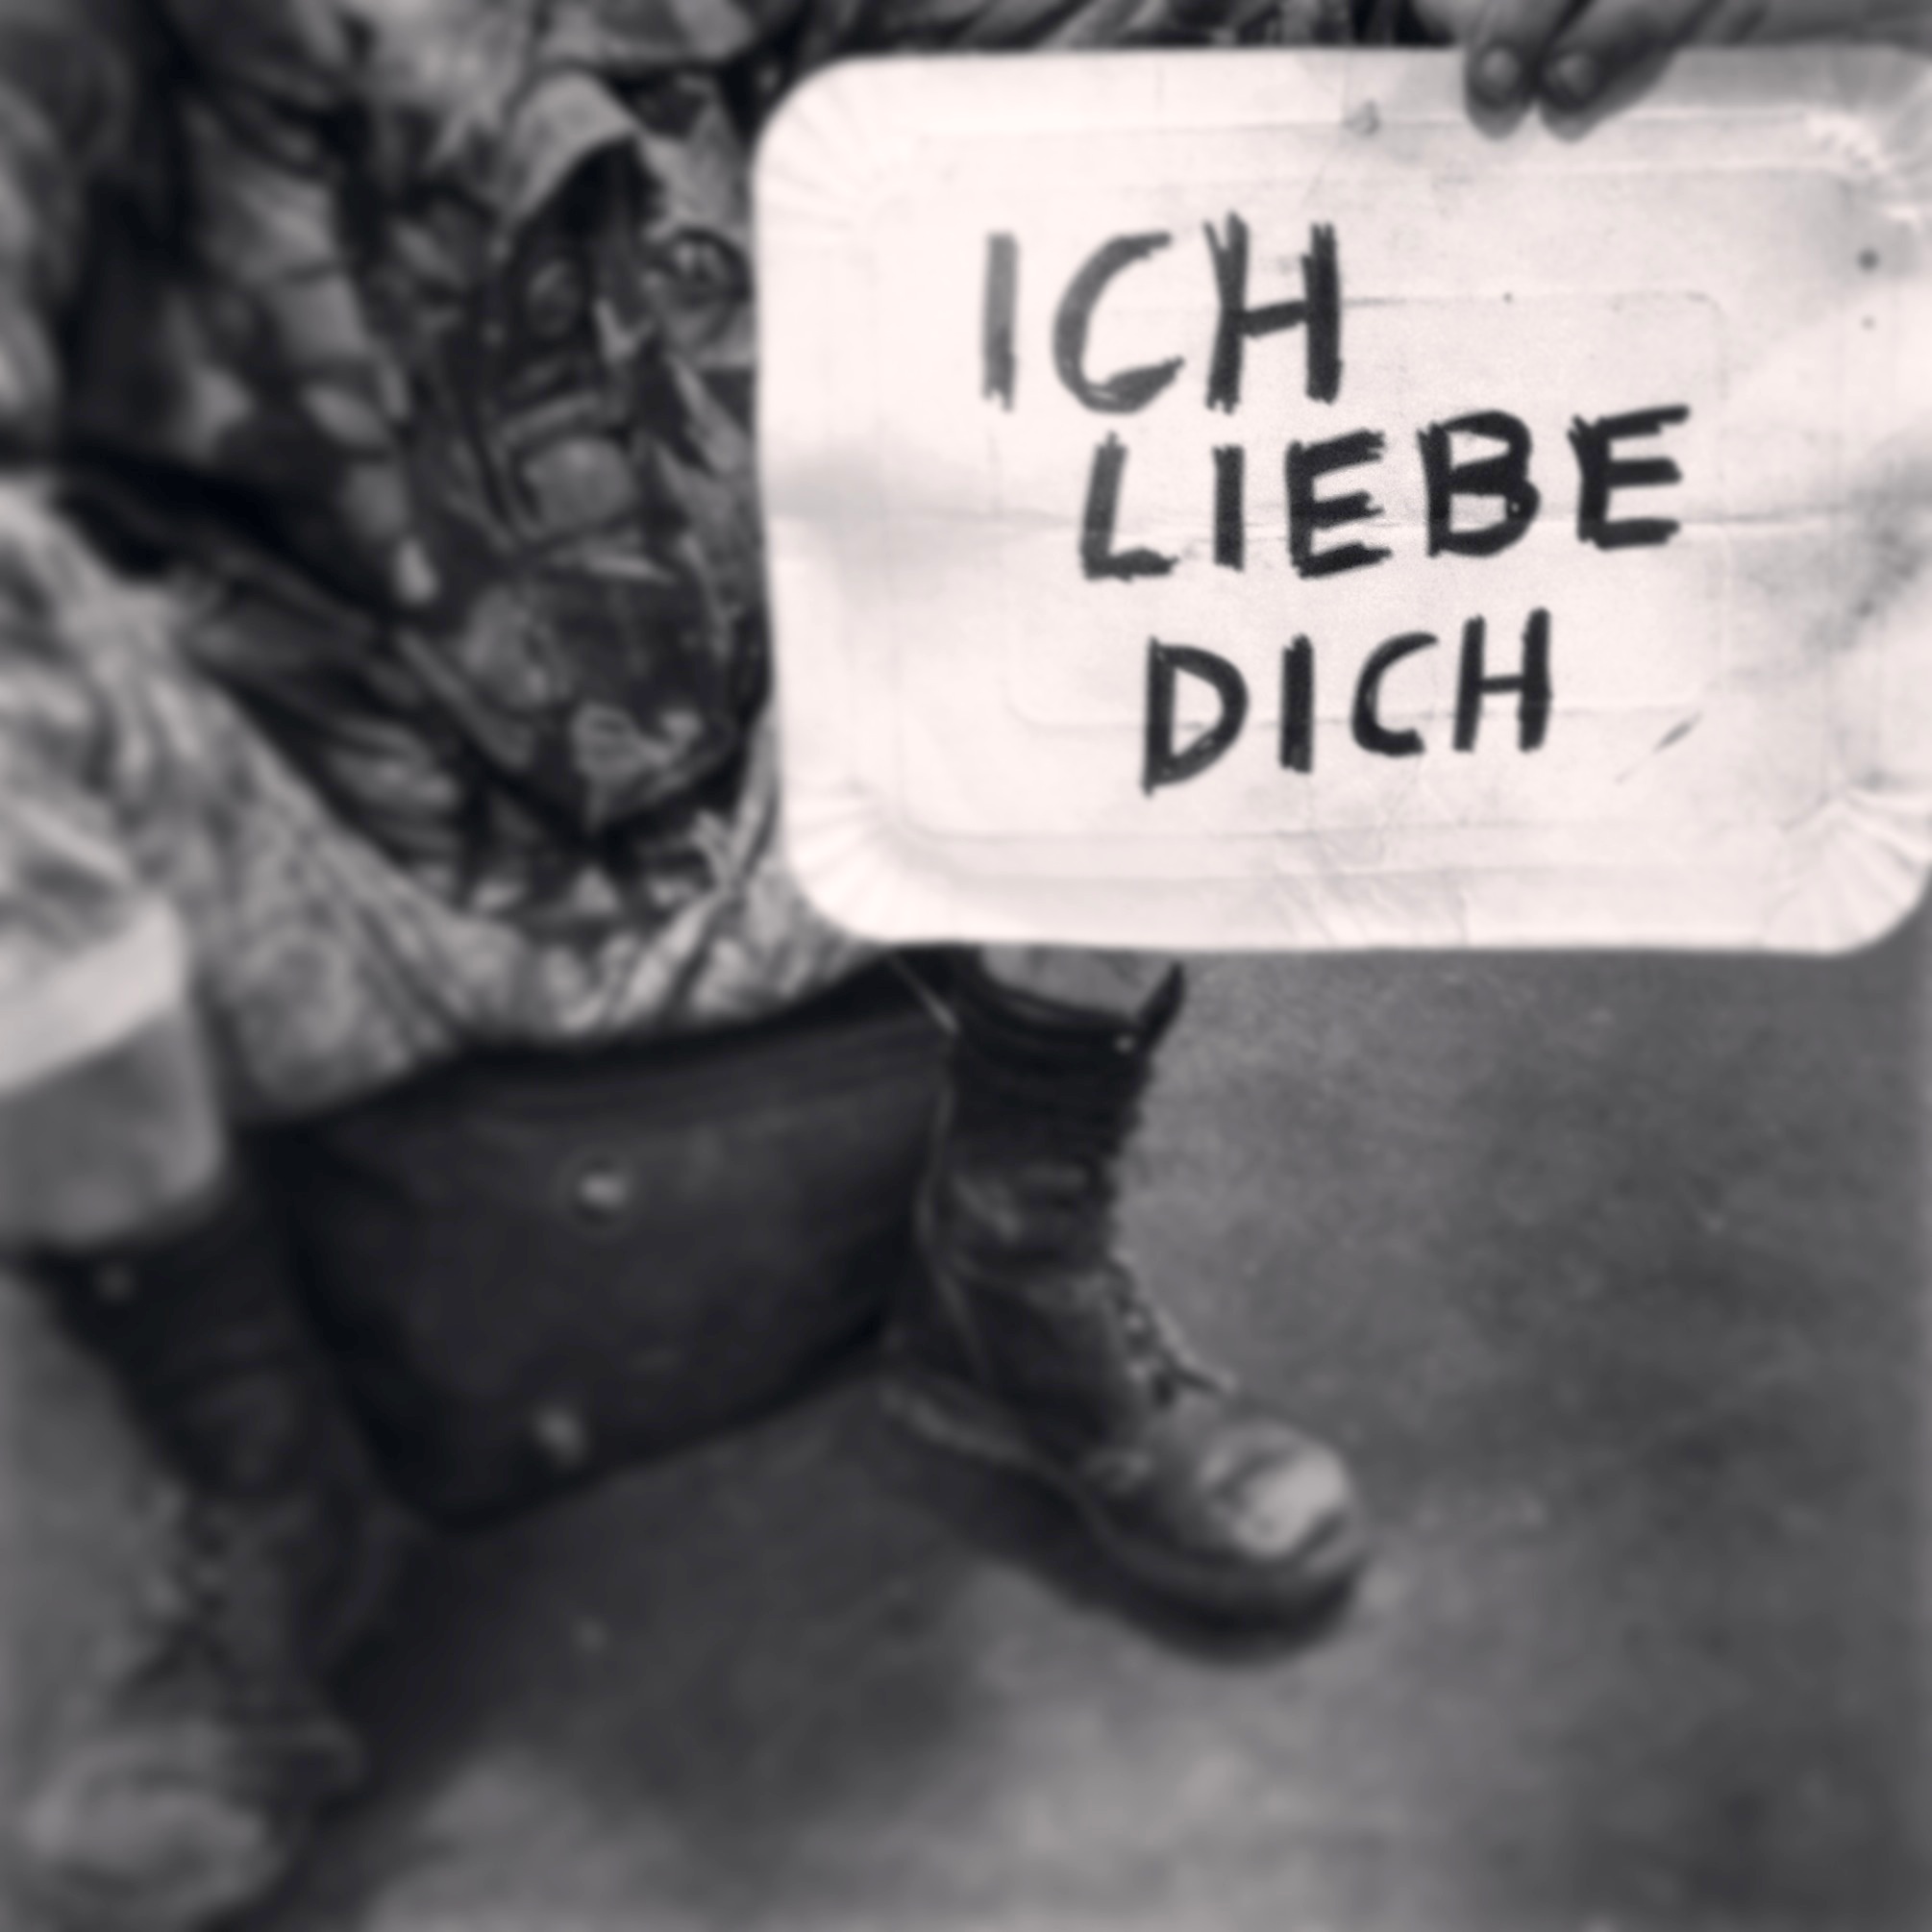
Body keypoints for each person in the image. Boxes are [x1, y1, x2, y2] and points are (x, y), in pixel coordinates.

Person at [0, 2, 1916, 1928]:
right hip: (321, 845)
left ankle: (1014, 1262)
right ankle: (259, 1482)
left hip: (819, 785)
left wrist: (1470, 19)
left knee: (1243, 324)